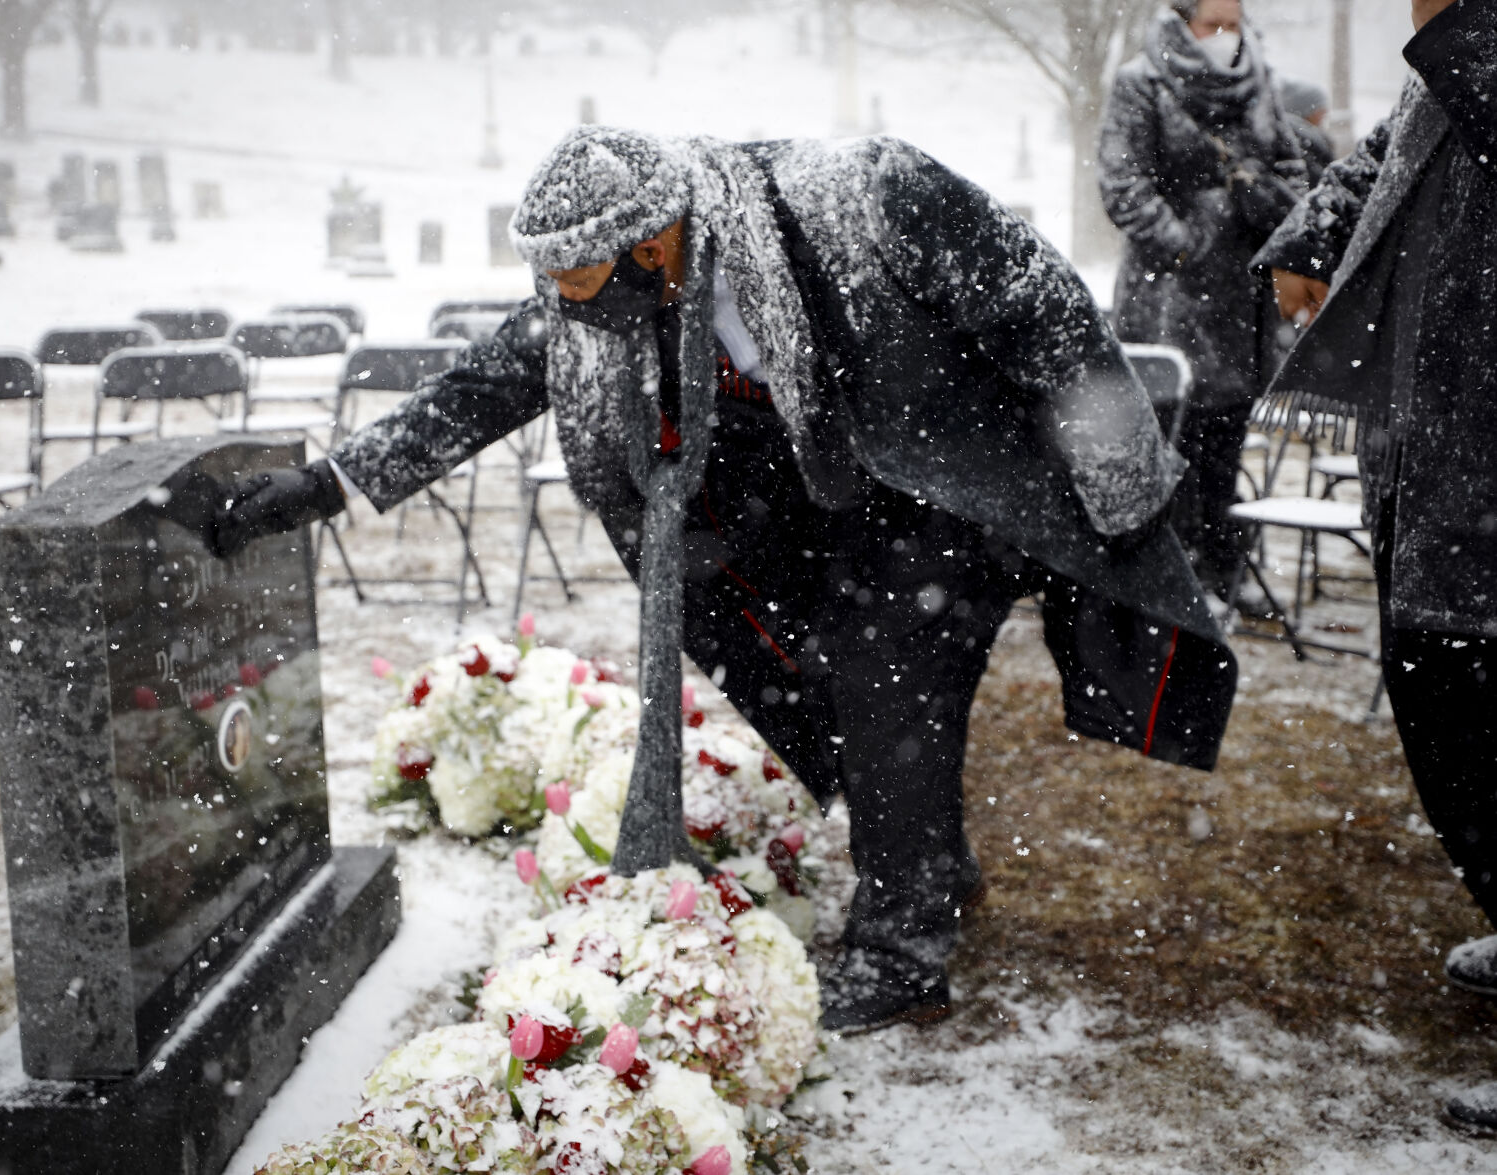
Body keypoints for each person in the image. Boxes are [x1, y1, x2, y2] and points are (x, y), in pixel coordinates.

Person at [207, 127, 1237, 1033]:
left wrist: (1118, 477)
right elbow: (485, 383)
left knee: (892, 682)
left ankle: (901, 948)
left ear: (650, 242)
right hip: (834, 498)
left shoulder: (864, 192)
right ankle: (928, 868)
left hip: (958, 471)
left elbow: (1039, 300)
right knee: (835, 685)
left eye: (583, 288)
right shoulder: (605, 276)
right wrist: (323, 484)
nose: (573, 311)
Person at [1253, 0, 1497, 1135]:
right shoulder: (1450, 55)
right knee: (1437, 700)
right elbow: (1397, 149)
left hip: (1480, 459)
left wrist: (1455, 23)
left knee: (1471, 715)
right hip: (1433, 446)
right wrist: (1308, 235)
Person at [1098, 0, 1317, 603]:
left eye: (1233, 24)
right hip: (1168, 299)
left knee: (1225, 440)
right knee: (1173, 438)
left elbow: (1291, 167)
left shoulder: (1261, 82)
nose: (1225, 37)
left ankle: (1222, 571)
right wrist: (1187, 246)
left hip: (1240, 297)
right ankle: (1177, 577)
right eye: (1212, 24)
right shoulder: (1141, 82)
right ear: (1182, 21)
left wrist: (1278, 224)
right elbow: (1122, 184)